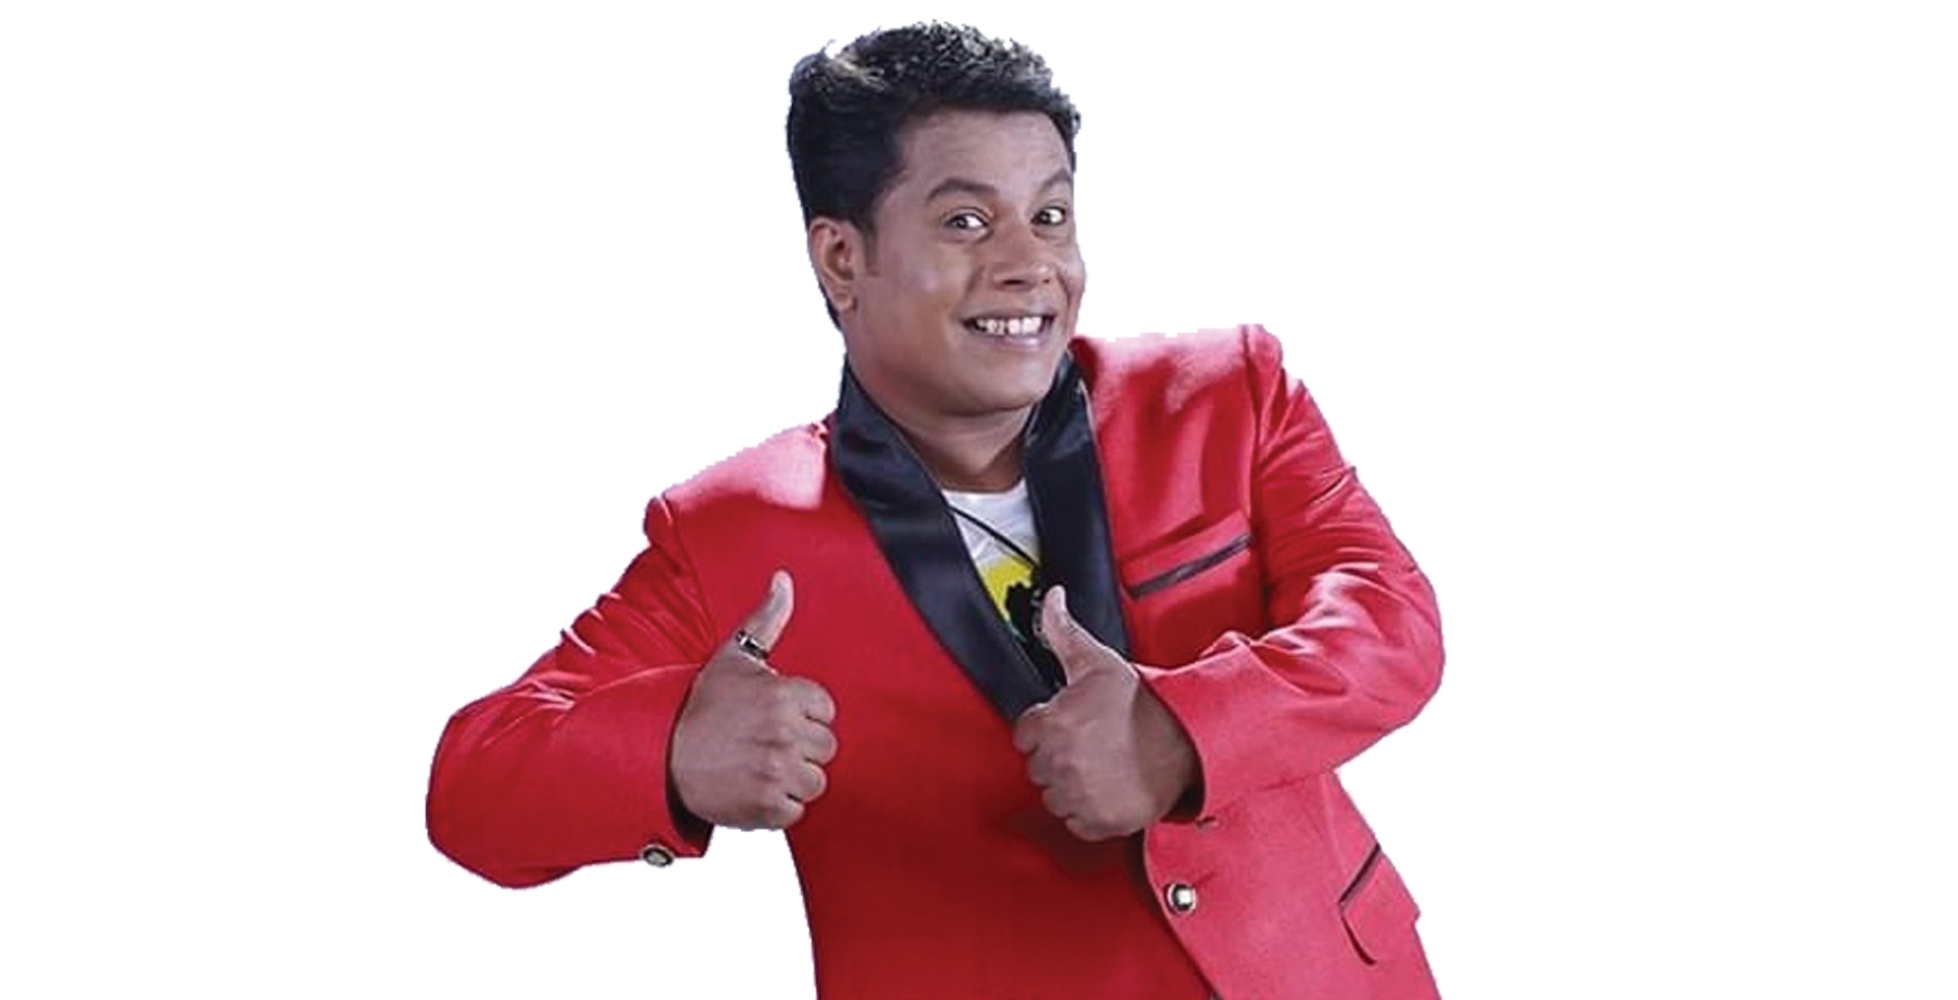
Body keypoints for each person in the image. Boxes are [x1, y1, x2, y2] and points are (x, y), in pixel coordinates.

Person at [426, 22, 1444, 1000]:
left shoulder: (1227, 393)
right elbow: (473, 786)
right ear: (841, 258)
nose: (1028, 264)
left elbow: (1389, 621)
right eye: (966, 222)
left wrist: (1183, 732)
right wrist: (670, 757)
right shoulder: (728, 535)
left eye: (1050, 216)